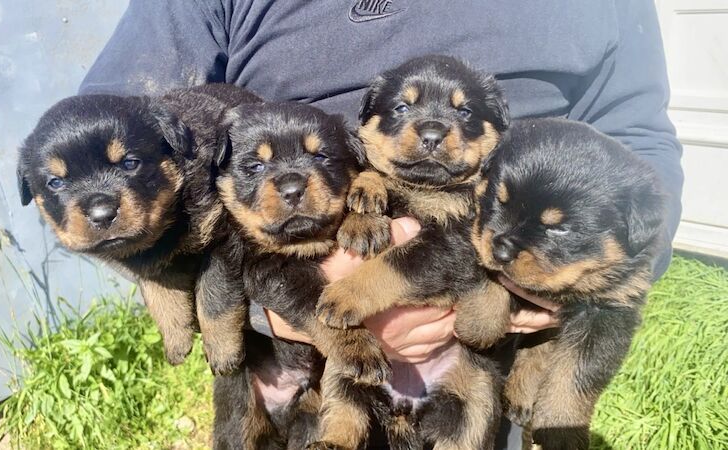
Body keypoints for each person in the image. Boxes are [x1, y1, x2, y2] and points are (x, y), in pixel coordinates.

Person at [79, 1, 683, 448]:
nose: (428, 131)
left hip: (492, 355)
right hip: (299, 354)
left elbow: (638, 148)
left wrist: (564, 291)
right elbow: (104, 156)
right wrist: (282, 310)